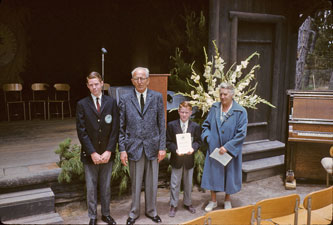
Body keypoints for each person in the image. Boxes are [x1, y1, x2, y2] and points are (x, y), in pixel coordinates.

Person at [118, 67, 166, 225]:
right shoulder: (125, 99)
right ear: (132, 81)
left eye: (142, 78)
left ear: (148, 80)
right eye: (136, 78)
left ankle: (152, 211)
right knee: (136, 183)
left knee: (152, 183)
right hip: (134, 147)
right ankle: (134, 212)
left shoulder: (157, 97)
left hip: (153, 145)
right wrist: (123, 149)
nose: (140, 81)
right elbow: (121, 127)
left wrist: (162, 147)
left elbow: (161, 124)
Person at [76, 71, 119, 225]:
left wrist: (109, 150)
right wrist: (92, 152)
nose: (94, 87)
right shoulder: (82, 104)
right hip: (90, 155)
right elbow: (82, 131)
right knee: (91, 188)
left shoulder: (111, 102)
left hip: (107, 153)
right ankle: (93, 216)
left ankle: (106, 214)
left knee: (106, 186)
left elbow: (115, 128)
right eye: (91, 85)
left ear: (102, 84)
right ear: (87, 86)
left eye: (96, 84)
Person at [201, 82, 248, 212]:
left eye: (225, 94)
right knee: (213, 174)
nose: (222, 97)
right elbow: (205, 126)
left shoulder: (240, 111)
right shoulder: (214, 108)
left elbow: (242, 133)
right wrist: (209, 139)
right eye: (220, 94)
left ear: (232, 95)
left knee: (229, 174)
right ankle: (213, 201)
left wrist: (228, 147)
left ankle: (227, 200)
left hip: (230, 151)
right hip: (214, 149)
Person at [166, 101, 202, 217]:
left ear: (190, 113)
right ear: (178, 112)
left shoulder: (195, 126)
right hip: (177, 158)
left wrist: (193, 148)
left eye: (187, 112)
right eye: (182, 112)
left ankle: (188, 203)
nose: (184, 115)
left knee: (188, 183)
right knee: (175, 183)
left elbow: (198, 141)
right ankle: (173, 204)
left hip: (189, 159)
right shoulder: (171, 125)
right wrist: (175, 149)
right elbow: (168, 142)